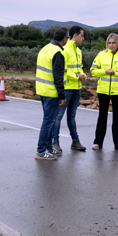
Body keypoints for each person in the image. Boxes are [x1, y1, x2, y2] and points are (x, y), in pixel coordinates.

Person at [90, 33, 118, 151]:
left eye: (113, 43)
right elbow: (93, 70)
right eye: (109, 43)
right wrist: (105, 71)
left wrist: (116, 73)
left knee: (117, 117)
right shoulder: (101, 55)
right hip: (103, 90)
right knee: (102, 116)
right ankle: (98, 142)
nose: (111, 45)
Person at [52, 26, 88, 152]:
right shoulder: (64, 49)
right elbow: (63, 71)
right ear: (75, 35)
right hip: (67, 88)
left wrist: (83, 75)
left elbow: (80, 68)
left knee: (71, 116)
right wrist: (77, 76)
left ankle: (75, 141)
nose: (83, 38)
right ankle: (55, 142)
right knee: (58, 116)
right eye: (82, 36)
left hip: (77, 88)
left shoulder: (78, 51)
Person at [35, 27, 68, 160]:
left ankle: (48, 148)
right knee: (48, 122)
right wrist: (62, 95)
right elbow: (58, 77)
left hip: (42, 90)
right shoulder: (57, 52)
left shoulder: (45, 49)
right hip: (51, 92)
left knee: (49, 121)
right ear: (65, 39)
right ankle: (41, 150)